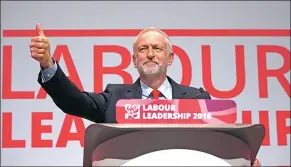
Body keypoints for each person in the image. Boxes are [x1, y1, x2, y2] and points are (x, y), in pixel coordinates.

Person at [29, 23, 261, 166]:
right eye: (142, 49)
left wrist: (239, 159)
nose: (150, 54)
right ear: (134, 60)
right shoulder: (116, 97)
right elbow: (74, 102)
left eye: (157, 48)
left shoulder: (197, 100)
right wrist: (48, 64)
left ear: (169, 58)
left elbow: (215, 145)